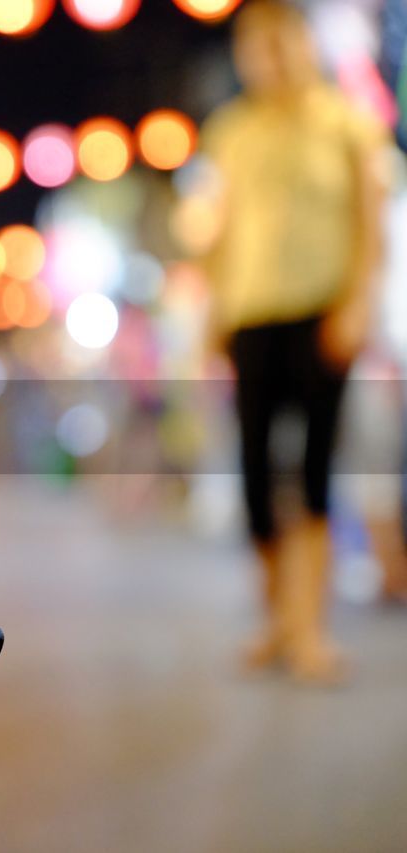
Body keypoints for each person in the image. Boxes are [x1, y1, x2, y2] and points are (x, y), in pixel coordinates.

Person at [201, 0, 389, 683]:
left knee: (313, 473)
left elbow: (370, 227)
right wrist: (212, 312)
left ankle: (309, 626)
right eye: (255, 47)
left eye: (280, 44)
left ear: (305, 45)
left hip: (322, 312)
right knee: (254, 473)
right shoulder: (232, 130)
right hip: (251, 316)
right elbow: (218, 231)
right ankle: (277, 616)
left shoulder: (348, 123)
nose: (269, 59)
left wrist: (357, 305)